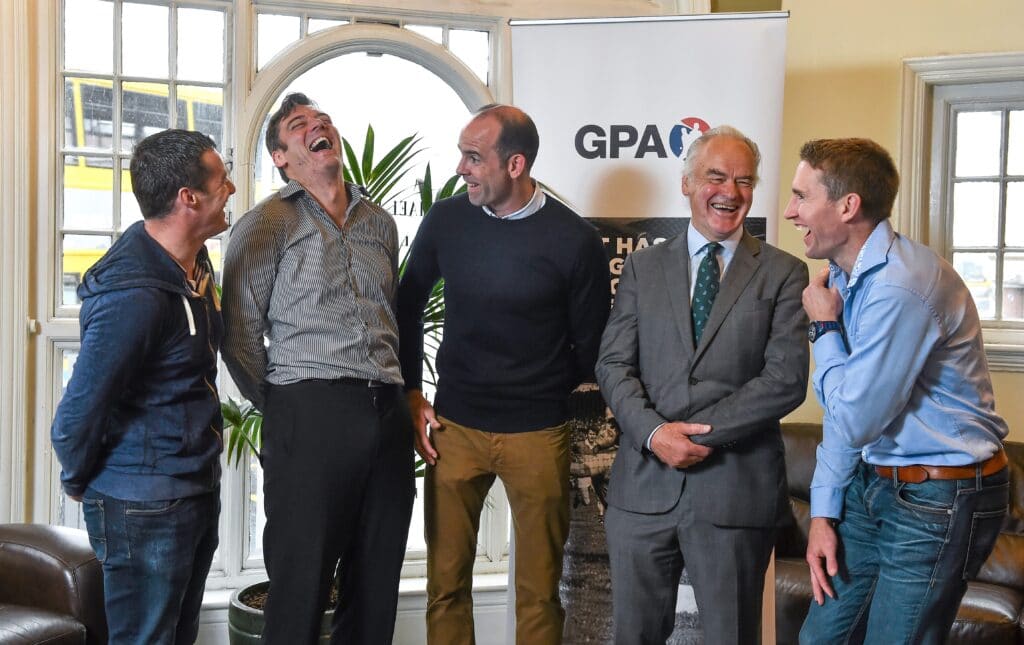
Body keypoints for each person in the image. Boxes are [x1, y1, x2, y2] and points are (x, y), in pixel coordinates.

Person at [396, 104, 610, 644]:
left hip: (539, 434)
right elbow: (406, 304)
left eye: (473, 157)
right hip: (454, 430)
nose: (461, 168)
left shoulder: (574, 239)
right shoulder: (446, 220)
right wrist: (412, 394)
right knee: (445, 585)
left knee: (539, 592)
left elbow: (592, 348)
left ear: (515, 164)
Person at [785, 138, 1009, 644]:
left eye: (802, 196)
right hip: (876, 484)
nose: (789, 210)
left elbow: (857, 416)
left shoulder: (900, 286)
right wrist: (823, 513)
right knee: (819, 638)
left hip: (941, 494)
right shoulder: (849, 276)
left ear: (847, 206)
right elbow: (850, 420)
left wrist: (824, 330)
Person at [596, 125, 809, 645]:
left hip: (735, 493)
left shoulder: (785, 273)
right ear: (687, 183)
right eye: (716, 177)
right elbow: (612, 365)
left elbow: (785, 381)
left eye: (743, 180)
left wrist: (692, 436)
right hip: (642, 490)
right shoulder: (644, 268)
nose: (730, 193)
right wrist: (654, 435)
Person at [221, 93, 414, 644]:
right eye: (299, 125)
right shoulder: (267, 222)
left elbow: (390, 315)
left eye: (323, 120)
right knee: (301, 587)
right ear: (281, 156)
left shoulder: (379, 223)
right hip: (307, 411)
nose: (318, 126)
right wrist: (286, 405)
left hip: (387, 412)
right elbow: (238, 334)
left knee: (376, 587)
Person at [51, 129, 233, 644]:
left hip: (192, 491)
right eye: (222, 179)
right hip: (143, 506)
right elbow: (73, 421)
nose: (232, 189)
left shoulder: (194, 266)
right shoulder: (133, 295)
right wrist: (88, 483)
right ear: (188, 198)